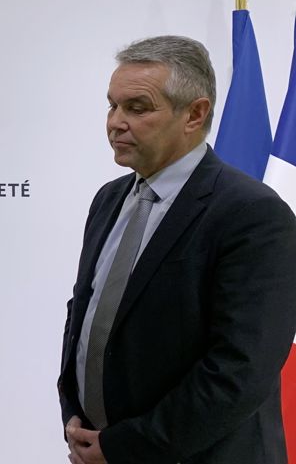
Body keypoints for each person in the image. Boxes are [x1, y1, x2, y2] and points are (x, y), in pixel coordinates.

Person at [58, 35, 296, 464]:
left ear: (195, 114)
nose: (115, 122)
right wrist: (72, 411)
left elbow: (240, 370)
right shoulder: (109, 199)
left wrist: (125, 446)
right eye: (112, 106)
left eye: (137, 108)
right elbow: (86, 312)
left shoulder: (253, 213)